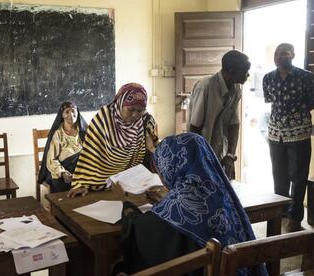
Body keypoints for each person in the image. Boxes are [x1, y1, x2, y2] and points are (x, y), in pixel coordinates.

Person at [118, 133, 267, 276]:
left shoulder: (173, 210)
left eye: (160, 171)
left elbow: (140, 228)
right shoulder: (224, 196)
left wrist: (126, 203)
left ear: (170, 167)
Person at [67, 83, 159, 197]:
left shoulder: (146, 121)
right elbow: (89, 155)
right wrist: (83, 183)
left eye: (140, 111)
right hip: (100, 183)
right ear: (120, 103)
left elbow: (155, 148)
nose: (135, 115)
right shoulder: (103, 120)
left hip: (133, 184)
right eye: (130, 109)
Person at [263, 43, 314, 232]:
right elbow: (270, 100)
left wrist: (295, 116)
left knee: (299, 177)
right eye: (277, 53)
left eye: (284, 53)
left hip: (299, 132)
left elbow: (311, 101)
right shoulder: (268, 78)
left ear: (293, 55)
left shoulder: (306, 77)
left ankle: (295, 217)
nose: (279, 57)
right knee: (279, 176)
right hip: (275, 133)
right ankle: (280, 213)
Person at [187, 50, 251, 180]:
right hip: (201, 152)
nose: (248, 75)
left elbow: (234, 124)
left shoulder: (236, 89)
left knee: (224, 189)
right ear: (232, 71)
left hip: (220, 150)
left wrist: (230, 155)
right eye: (245, 71)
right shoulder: (205, 86)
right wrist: (202, 159)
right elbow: (195, 128)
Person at [38, 101, 88, 192]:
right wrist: (63, 173)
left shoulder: (83, 131)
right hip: (64, 167)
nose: (71, 114)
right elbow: (52, 159)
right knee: (61, 183)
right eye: (67, 111)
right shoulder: (58, 134)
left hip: (82, 168)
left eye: (73, 111)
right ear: (62, 115)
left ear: (78, 112)